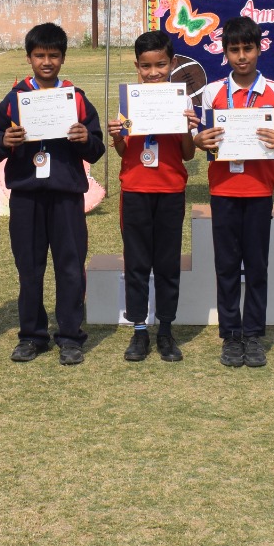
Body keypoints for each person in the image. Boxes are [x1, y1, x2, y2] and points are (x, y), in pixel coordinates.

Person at [0, 22, 106, 365]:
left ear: (63, 58)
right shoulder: (15, 99)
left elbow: (97, 148)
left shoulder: (76, 98)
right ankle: (32, 336)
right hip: (26, 196)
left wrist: (85, 138)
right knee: (29, 269)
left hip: (67, 196)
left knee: (70, 267)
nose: (47, 62)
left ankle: (70, 336)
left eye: (53, 55)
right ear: (29, 58)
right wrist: (4, 141)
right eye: (40, 55)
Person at [192, 15, 274, 368]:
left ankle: (253, 335)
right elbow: (203, 139)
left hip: (259, 189)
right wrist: (200, 140)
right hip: (223, 188)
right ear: (225, 52)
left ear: (259, 49)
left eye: (247, 48)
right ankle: (231, 335)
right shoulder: (212, 93)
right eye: (234, 50)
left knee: (257, 265)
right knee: (226, 266)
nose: (241, 56)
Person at [106, 31, 198, 362]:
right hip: (135, 190)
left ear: (172, 63)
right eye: (146, 66)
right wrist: (117, 136)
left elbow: (188, 154)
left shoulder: (183, 101)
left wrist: (187, 129)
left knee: (167, 263)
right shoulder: (129, 100)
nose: (153, 72)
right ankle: (139, 331)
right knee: (137, 263)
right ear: (137, 66)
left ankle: (166, 331)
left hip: (170, 190)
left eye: (160, 65)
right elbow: (124, 151)